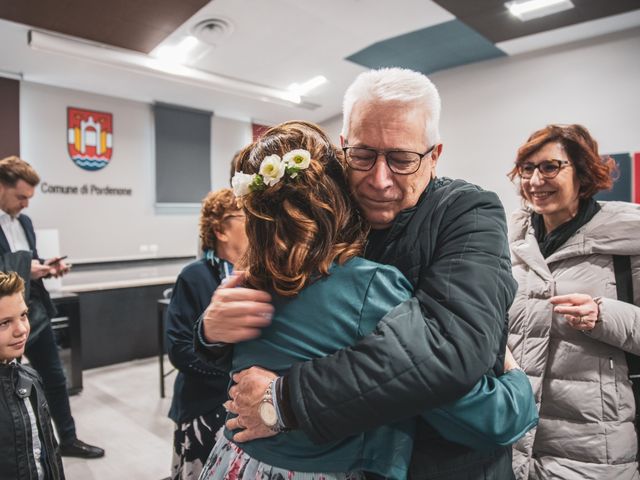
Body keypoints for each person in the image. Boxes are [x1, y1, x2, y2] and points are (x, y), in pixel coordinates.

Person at [196, 67, 521, 479]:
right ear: (342, 148)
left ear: (434, 156)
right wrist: (209, 331)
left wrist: (283, 400)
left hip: (444, 464)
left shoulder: (468, 214)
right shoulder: (324, 221)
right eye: (364, 156)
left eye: (402, 159)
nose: (380, 180)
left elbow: (448, 353)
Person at [506, 124, 640, 479]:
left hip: (593, 450)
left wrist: (604, 314)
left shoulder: (629, 242)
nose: (536, 180)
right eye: (528, 169)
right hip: (514, 439)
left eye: (550, 167)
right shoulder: (511, 242)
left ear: (582, 174)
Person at [0, 156, 104, 459]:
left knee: (55, 379)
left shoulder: (26, 223)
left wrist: (48, 267)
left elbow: (29, 262)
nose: (26, 204)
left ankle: (67, 439)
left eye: (29, 198)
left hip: (34, 313)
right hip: (3, 321)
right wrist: (28, 269)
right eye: (21, 197)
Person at [166, 188, 248, 480]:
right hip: (204, 406)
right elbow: (179, 348)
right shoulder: (194, 276)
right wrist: (233, 376)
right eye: (244, 216)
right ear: (220, 231)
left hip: (243, 408)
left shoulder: (262, 274)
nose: (253, 221)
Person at [0, 271, 65, 479]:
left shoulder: (30, 380)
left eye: (23, 315)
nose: (21, 330)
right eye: (4, 323)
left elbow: (49, 452)